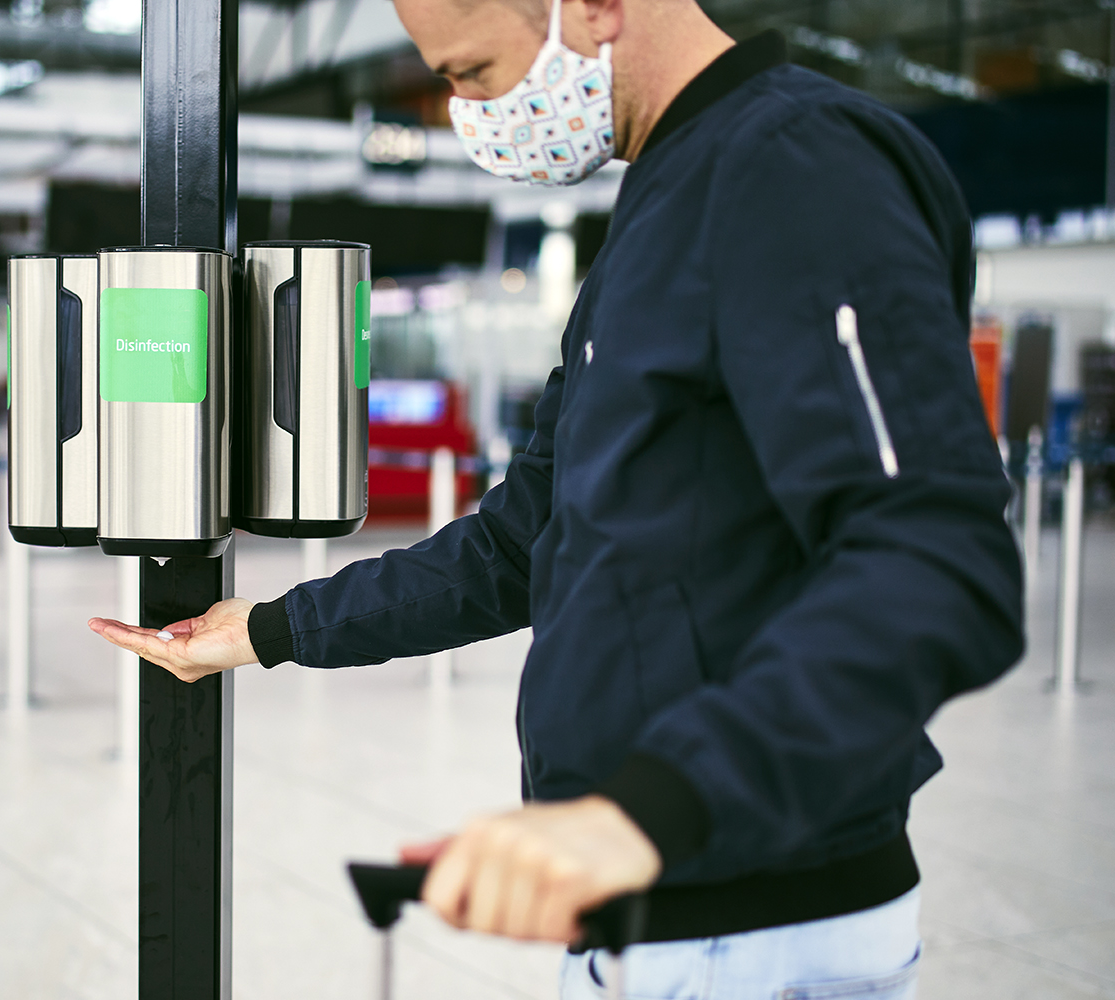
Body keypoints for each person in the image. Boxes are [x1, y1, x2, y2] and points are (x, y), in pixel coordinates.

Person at [90, 0, 1024, 994]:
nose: (462, 111)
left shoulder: (796, 167)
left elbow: (934, 558)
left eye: (471, 71)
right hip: (653, 917)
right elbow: (522, 541)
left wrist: (651, 810)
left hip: (751, 925)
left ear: (597, 6)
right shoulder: (667, 198)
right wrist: (273, 628)